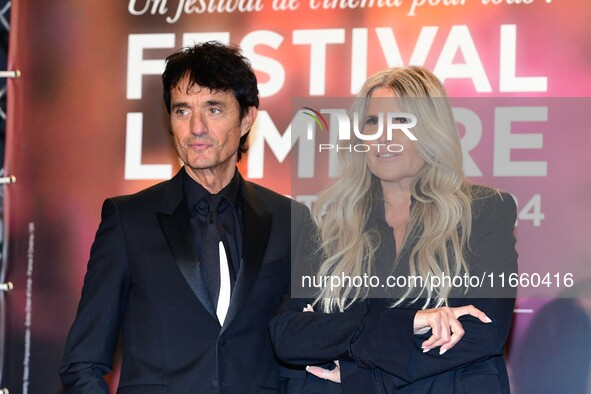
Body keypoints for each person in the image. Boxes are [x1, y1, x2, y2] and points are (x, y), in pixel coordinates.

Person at [59, 41, 311, 393]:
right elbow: (82, 364)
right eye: (181, 111)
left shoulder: (291, 221)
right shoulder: (128, 221)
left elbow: (302, 355)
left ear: (247, 118)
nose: (196, 127)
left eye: (214, 109)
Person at [270, 66, 518, 393]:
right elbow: (290, 335)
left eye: (401, 122)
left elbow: (484, 330)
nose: (383, 136)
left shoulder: (483, 210)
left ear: (432, 131)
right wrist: (413, 322)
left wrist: (363, 372)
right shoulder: (334, 225)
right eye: (373, 122)